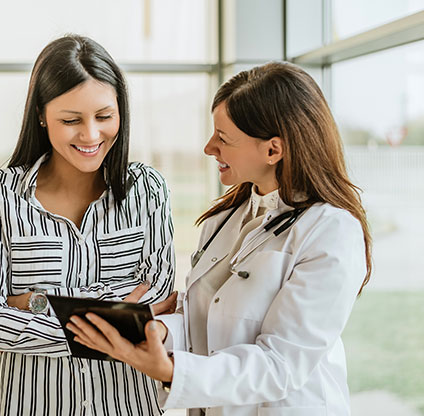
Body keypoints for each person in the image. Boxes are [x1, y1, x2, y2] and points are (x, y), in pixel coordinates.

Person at [67, 61, 372, 416]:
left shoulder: (331, 232)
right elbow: (206, 320)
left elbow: (281, 364)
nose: (209, 148)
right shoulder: (223, 220)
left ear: (273, 150)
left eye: (223, 138)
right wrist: (158, 333)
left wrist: (172, 371)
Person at [0, 34, 176, 416]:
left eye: (104, 116)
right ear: (41, 115)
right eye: (71, 120)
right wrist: (113, 319)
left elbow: (160, 296)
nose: (91, 135)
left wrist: (33, 304)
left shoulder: (148, 189)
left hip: (130, 406)